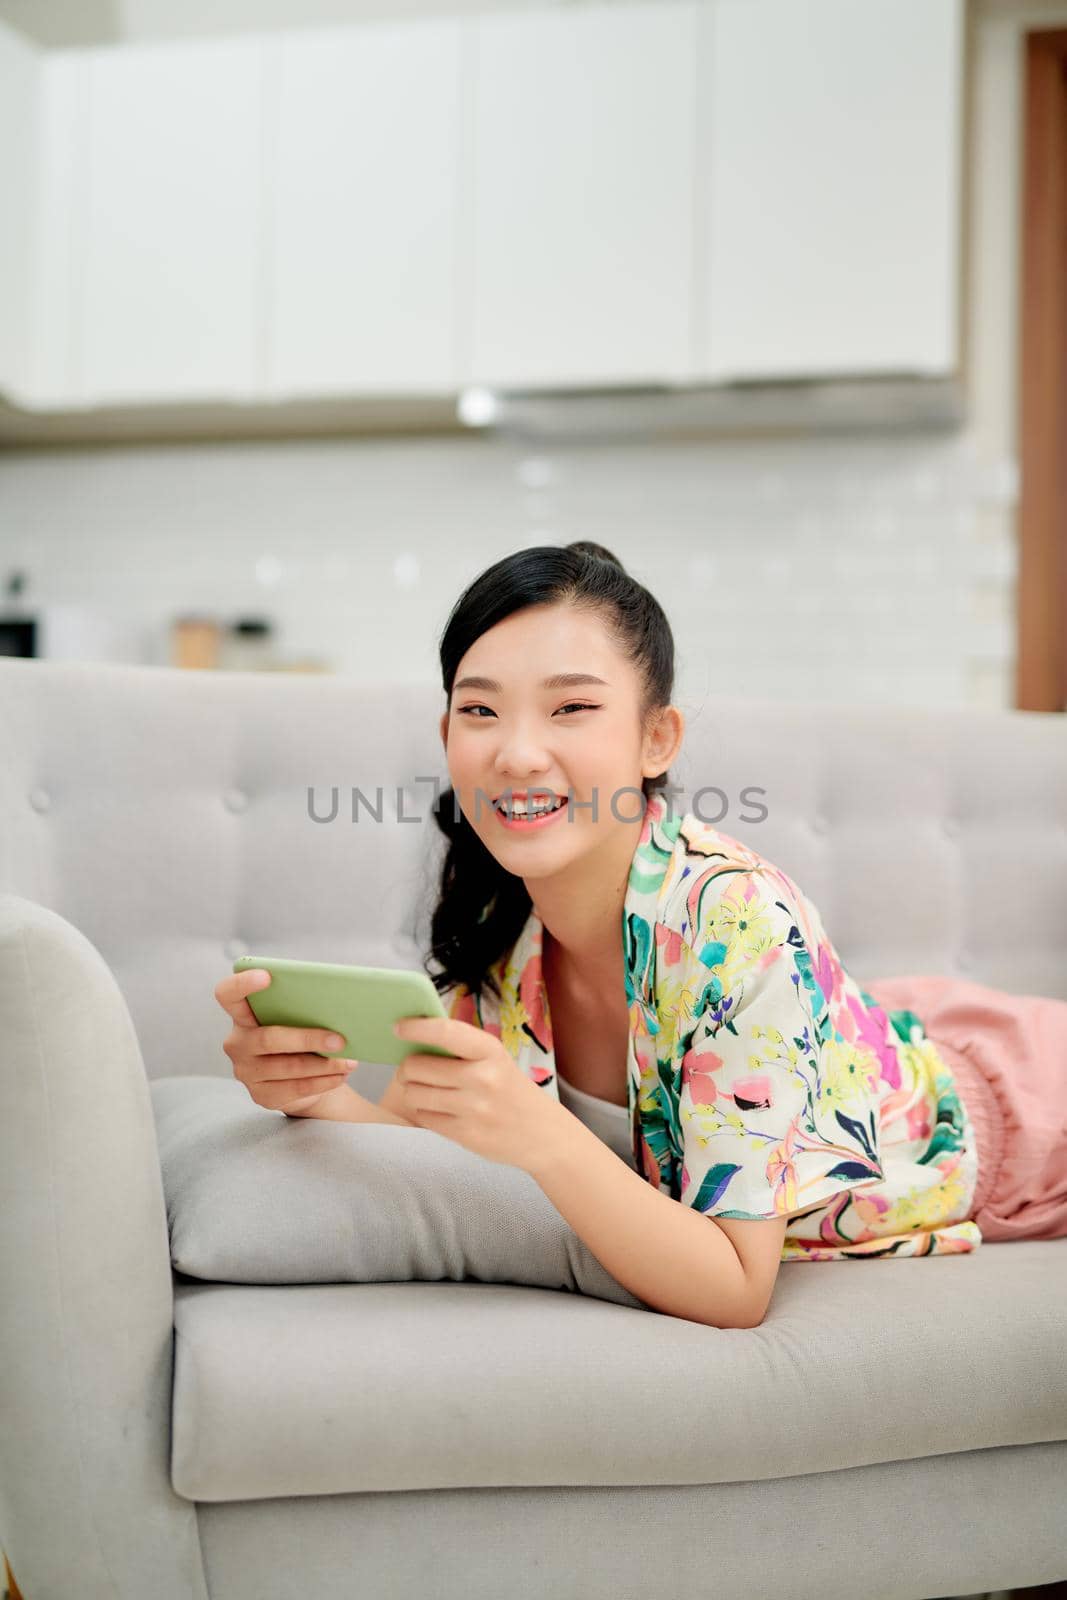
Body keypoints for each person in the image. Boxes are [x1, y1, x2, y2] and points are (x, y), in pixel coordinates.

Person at [217, 541, 1067, 1325]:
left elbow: (735, 1289)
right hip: (877, 1041)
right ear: (446, 738)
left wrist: (544, 1139)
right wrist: (311, 1092)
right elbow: (415, 1139)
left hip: (1027, 1117)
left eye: (571, 707)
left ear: (655, 738)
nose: (516, 754)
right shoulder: (497, 917)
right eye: (479, 712)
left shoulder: (732, 921)